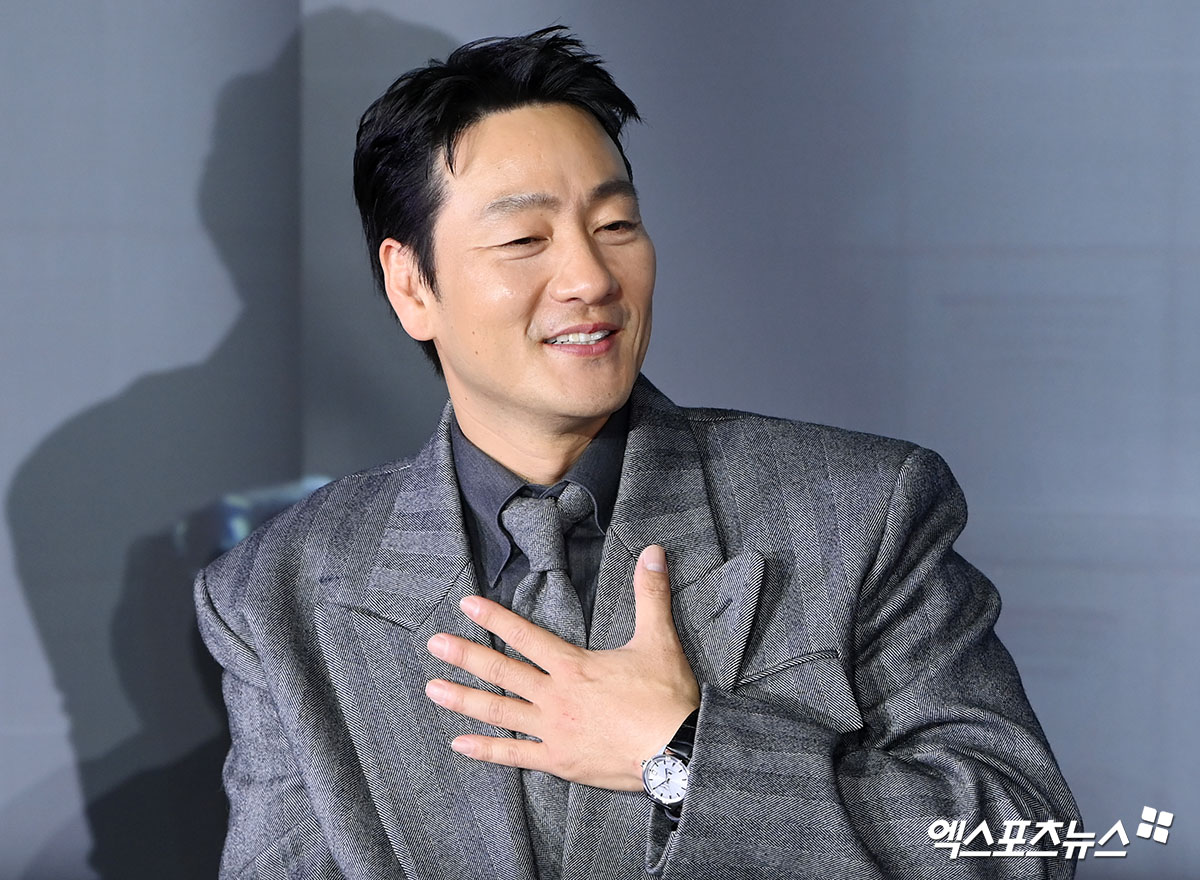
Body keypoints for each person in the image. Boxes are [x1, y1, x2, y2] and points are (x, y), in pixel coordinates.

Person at [195, 26, 1079, 880]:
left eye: (616, 224)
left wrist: (684, 754)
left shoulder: (862, 511)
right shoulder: (279, 594)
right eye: (525, 240)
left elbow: (1026, 843)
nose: (591, 278)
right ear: (411, 284)